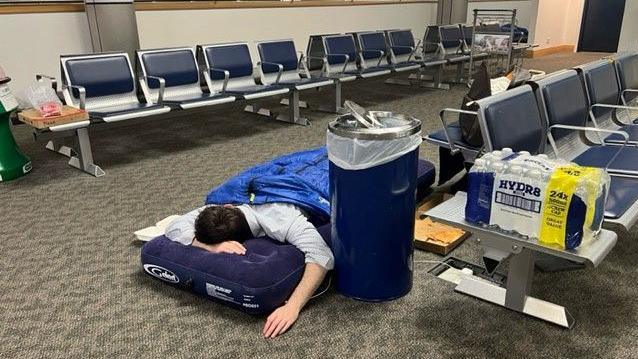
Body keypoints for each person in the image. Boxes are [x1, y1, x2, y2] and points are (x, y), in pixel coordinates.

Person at [165, 202, 334, 339]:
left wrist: (292, 307)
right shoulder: (222, 211)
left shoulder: (282, 221)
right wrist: (210, 246)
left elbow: (321, 255)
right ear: (228, 206)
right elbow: (175, 225)